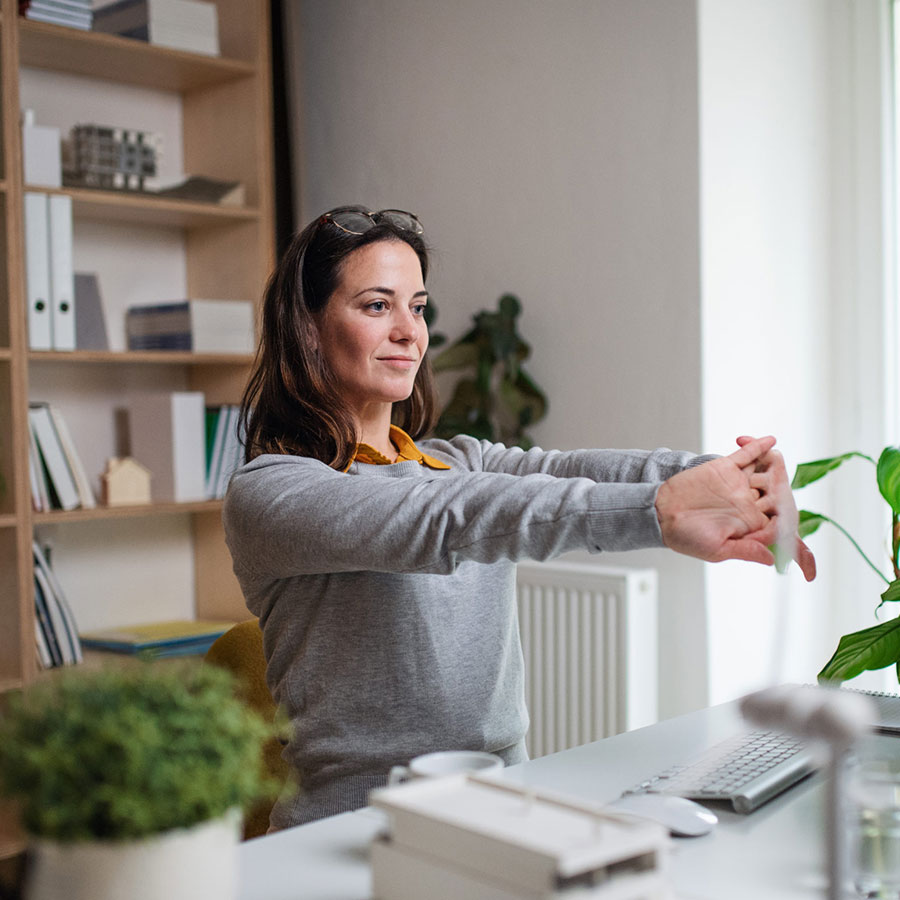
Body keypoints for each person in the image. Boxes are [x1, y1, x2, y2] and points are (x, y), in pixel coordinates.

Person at [223, 205, 816, 831]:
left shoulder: (459, 459)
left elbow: (567, 470)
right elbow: (446, 519)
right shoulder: (273, 492)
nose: (409, 333)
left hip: (503, 805)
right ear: (308, 329)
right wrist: (660, 512)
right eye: (377, 306)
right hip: (354, 827)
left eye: (418, 307)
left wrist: (728, 472)